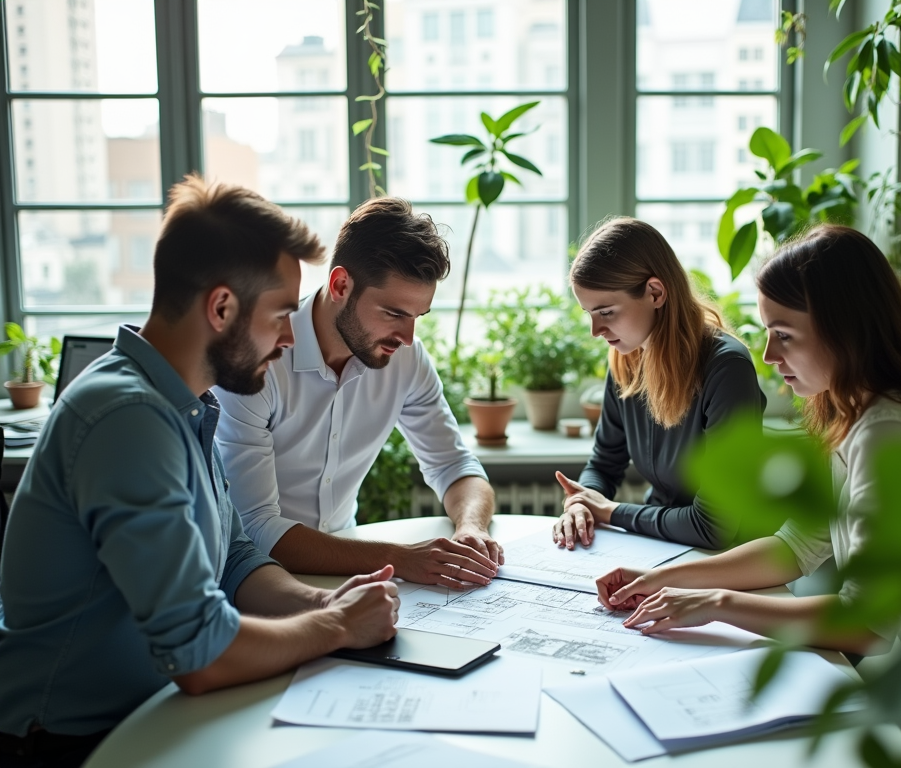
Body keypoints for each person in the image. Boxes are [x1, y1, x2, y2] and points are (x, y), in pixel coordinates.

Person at [0, 176, 400, 768]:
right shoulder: (127, 418)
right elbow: (199, 652)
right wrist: (336, 627)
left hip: (153, 716)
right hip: (70, 743)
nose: (289, 338)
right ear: (221, 308)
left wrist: (319, 603)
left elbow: (235, 558)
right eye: (281, 314)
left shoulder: (183, 404)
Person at [595, 224, 901, 655]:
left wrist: (717, 604)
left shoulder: (887, 434)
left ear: (846, 330)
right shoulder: (851, 415)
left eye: (783, 335)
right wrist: (660, 578)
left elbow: (867, 625)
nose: (768, 355)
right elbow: (794, 548)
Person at [214, 197, 502, 590]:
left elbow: (455, 466)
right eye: (393, 313)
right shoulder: (259, 358)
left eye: (417, 317)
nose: (407, 338)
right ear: (340, 285)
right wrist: (400, 558)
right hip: (258, 581)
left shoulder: (405, 357)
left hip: (349, 568)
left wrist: (471, 526)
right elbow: (257, 528)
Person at [552, 217, 766, 550]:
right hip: (662, 545)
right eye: (589, 314)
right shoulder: (627, 358)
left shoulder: (727, 368)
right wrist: (581, 503)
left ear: (655, 292)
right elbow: (604, 463)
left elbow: (714, 525)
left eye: (606, 312)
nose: (595, 331)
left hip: (727, 557)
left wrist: (609, 512)